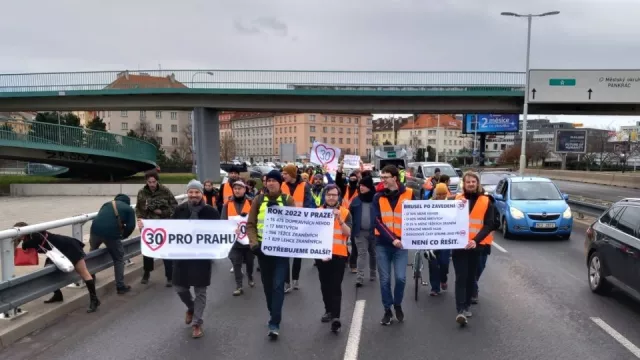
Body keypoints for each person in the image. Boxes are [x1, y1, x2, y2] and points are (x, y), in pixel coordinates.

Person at [246, 170, 296, 339]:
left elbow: (297, 223)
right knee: (268, 288)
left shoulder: (288, 201)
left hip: (281, 252)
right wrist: (254, 244)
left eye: (274, 180)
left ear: (280, 183)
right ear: (265, 183)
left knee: (277, 286)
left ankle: (275, 322)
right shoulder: (258, 200)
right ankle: (272, 311)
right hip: (263, 251)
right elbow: (250, 224)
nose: (271, 183)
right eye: (268, 181)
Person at [169, 179, 219, 338]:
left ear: (201, 193)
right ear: (187, 193)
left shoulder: (211, 212)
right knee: (179, 288)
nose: (193, 195)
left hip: (201, 258)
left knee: (200, 292)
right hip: (182, 257)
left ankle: (197, 323)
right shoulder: (179, 210)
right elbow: (169, 229)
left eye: (196, 192)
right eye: (191, 192)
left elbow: (220, 232)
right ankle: (191, 307)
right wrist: (146, 226)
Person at [13, 223, 100, 313]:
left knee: (83, 273)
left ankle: (94, 300)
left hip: (69, 247)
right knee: (47, 272)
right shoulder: (28, 238)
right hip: (56, 254)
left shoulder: (35, 234)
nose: (19, 236)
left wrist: (22, 243)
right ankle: (57, 295)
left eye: (19, 233)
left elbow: (30, 244)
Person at [373, 165, 417, 325]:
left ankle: (397, 304)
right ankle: (387, 310)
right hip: (383, 244)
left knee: (401, 279)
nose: (382, 180)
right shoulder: (378, 196)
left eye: (385, 177)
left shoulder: (410, 194)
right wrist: (392, 238)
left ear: (395, 178)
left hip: (402, 244)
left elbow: (423, 213)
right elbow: (376, 221)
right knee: (384, 280)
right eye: (381, 177)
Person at [453, 171, 495, 326]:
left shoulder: (486, 201)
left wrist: (475, 241)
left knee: (471, 277)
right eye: (468, 181)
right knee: (460, 277)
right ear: (463, 184)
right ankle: (460, 309)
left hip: (476, 246)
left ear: (477, 183)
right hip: (459, 245)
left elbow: (489, 224)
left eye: (473, 181)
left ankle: (467, 305)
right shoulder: (457, 199)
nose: (470, 184)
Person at [316, 184, 352, 333]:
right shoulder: (317, 212)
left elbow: (348, 233)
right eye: (329, 195)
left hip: (339, 254)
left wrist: (340, 220)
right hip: (321, 255)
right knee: (325, 285)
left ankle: (336, 317)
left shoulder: (345, 212)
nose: (331, 197)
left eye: (334, 195)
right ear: (325, 196)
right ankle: (328, 310)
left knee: (336, 285)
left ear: (338, 197)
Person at [135, 170, 178, 286]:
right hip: (148, 226)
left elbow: (174, 206)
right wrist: (139, 219)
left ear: (157, 181)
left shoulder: (165, 191)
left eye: (154, 182)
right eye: (149, 182)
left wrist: (162, 212)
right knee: (148, 251)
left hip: (163, 225)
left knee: (165, 251)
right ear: (146, 182)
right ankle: (147, 273)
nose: (152, 184)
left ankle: (170, 276)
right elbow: (138, 208)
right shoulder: (142, 193)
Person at [90, 194, 136, 295]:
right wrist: (123, 236)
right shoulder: (129, 209)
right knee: (119, 258)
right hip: (111, 234)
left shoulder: (107, 204)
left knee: (91, 255)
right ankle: (120, 286)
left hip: (95, 230)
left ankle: (90, 278)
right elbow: (131, 226)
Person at [280, 164, 314, 292]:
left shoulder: (305, 186)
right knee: (284, 254)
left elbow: (309, 204)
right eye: (283, 174)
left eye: (285, 174)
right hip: (285, 224)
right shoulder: (282, 186)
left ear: (292, 174)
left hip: (300, 224)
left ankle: (295, 278)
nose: (283, 176)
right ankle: (286, 282)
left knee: (297, 254)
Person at [221, 180, 255, 296]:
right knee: (236, 263)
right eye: (235, 188)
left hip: (249, 240)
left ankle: (250, 276)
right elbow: (223, 222)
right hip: (234, 241)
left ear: (245, 189)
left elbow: (256, 220)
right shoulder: (227, 204)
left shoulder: (251, 203)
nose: (237, 190)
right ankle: (239, 286)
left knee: (250, 262)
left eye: (239, 188)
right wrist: (230, 230)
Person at [351, 176, 377, 287]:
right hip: (360, 232)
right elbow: (349, 214)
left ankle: (373, 273)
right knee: (362, 254)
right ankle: (359, 278)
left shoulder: (376, 199)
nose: (361, 187)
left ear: (369, 187)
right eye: (360, 185)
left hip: (374, 232)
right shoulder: (356, 200)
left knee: (373, 253)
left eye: (364, 185)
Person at [427, 184, 452, 296]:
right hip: (431, 239)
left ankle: (443, 279)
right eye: (439, 194)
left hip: (445, 239)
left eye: (444, 194)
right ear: (435, 194)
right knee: (433, 264)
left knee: (444, 263)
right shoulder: (428, 204)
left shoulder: (451, 205)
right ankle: (435, 288)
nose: (441, 196)